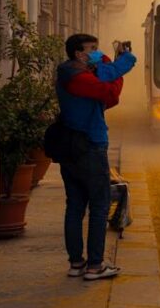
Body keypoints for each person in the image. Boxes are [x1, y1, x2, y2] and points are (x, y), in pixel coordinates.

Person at [56, 34, 137, 280]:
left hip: (71, 148)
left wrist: (110, 66)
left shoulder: (72, 74)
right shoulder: (78, 77)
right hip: (89, 146)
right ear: (79, 54)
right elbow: (109, 91)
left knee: (75, 206)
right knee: (99, 206)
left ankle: (76, 263)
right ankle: (95, 265)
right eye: (91, 49)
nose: (95, 52)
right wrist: (118, 61)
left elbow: (107, 94)